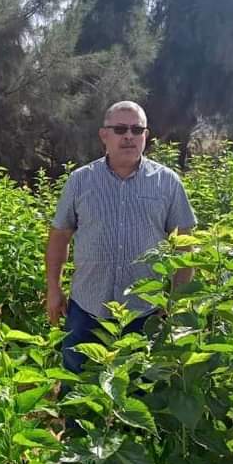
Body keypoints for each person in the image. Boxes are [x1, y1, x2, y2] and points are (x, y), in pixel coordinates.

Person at [45, 100, 196, 374]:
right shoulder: (80, 181)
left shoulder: (167, 182)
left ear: (145, 136)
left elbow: (184, 245)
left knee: (139, 389)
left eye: (137, 130)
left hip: (145, 312)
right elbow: (60, 236)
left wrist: (175, 301)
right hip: (87, 308)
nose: (129, 136)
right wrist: (53, 288)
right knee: (77, 385)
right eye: (120, 129)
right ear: (104, 135)